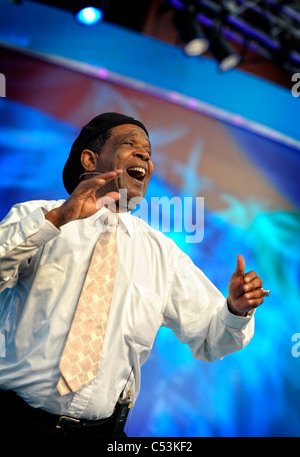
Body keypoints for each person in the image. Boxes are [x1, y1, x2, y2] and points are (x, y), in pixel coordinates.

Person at [0, 112, 265, 437]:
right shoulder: (36, 217)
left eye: (149, 153)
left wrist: (236, 309)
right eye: (131, 145)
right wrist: (56, 220)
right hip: (13, 420)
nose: (144, 156)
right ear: (89, 159)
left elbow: (212, 339)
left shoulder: (162, 255)